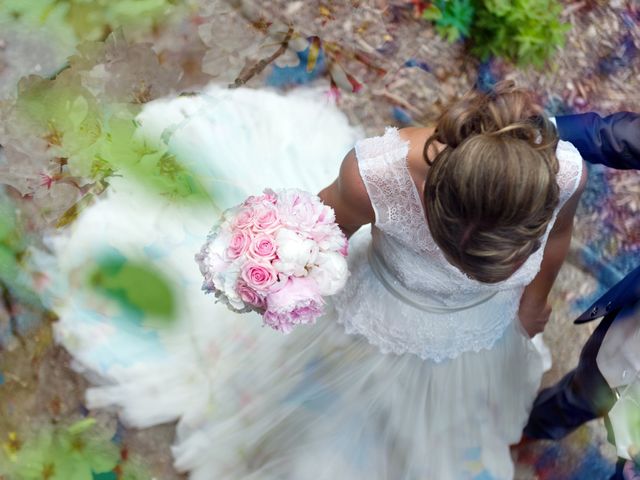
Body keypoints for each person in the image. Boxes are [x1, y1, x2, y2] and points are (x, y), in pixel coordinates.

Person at [37, 81, 585, 479]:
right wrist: (280, 272)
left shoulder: (561, 174)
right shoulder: (376, 176)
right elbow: (319, 236)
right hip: (368, 319)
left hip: (479, 333)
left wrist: (534, 296)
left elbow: (558, 237)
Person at [523, 110, 640, 479]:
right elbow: (615, 135)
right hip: (627, 349)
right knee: (576, 396)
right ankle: (526, 431)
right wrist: (545, 129)